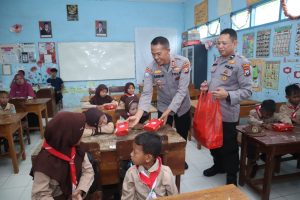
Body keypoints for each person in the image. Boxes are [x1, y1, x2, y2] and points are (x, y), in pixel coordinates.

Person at [127, 36, 191, 169]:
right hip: (163, 106)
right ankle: (163, 161)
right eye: (152, 53)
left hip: (182, 107)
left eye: (158, 53)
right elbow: (146, 93)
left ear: (168, 50)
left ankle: (180, 158)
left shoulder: (183, 62)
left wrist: (169, 111)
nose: (155, 57)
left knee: (182, 135)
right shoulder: (150, 68)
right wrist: (138, 115)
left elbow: (182, 91)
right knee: (162, 136)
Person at [200, 28, 252, 185]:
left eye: (224, 43)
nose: (220, 46)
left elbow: (248, 90)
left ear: (235, 43)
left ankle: (231, 178)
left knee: (229, 147)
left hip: (227, 113)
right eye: (218, 43)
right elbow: (216, 82)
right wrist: (206, 86)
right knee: (213, 142)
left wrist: (228, 95)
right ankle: (218, 166)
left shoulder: (242, 63)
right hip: (212, 111)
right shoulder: (217, 60)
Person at [31, 112, 94, 199]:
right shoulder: (44, 161)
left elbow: (88, 171)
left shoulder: (77, 148)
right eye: (78, 132)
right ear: (68, 135)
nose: (81, 135)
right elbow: (40, 195)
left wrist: (80, 191)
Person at [121, 132, 178, 199]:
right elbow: (127, 198)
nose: (131, 154)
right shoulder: (131, 173)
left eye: (135, 152)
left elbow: (175, 197)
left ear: (148, 158)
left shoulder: (165, 172)